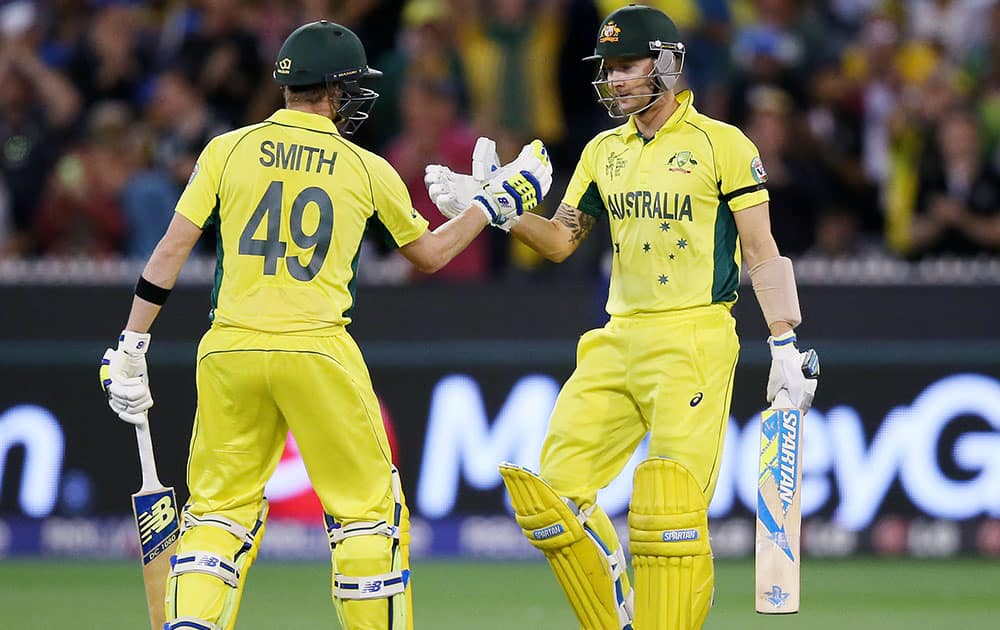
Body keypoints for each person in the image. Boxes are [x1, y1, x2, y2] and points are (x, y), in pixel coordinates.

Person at [98, 20, 551, 630]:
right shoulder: (364, 167)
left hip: (229, 349)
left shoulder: (226, 149)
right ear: (334, 90)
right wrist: (496, 204)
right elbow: (432, 255)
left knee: (216, 518)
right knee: (368, 517)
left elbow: (171, 249)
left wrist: (131, 343)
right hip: (317, 350)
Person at [425, 5, 818, 629]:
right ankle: (621, 617)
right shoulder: (602, 150)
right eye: (608, 70)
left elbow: (761, 248)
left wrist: (785, 339)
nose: (613, 81)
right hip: (616, 337)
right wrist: (495, 210)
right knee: (548, 500)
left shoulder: (723, 145)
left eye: (627, 67)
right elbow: (559, 242)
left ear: (665, 64)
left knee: (668, 516)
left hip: (693, 336)